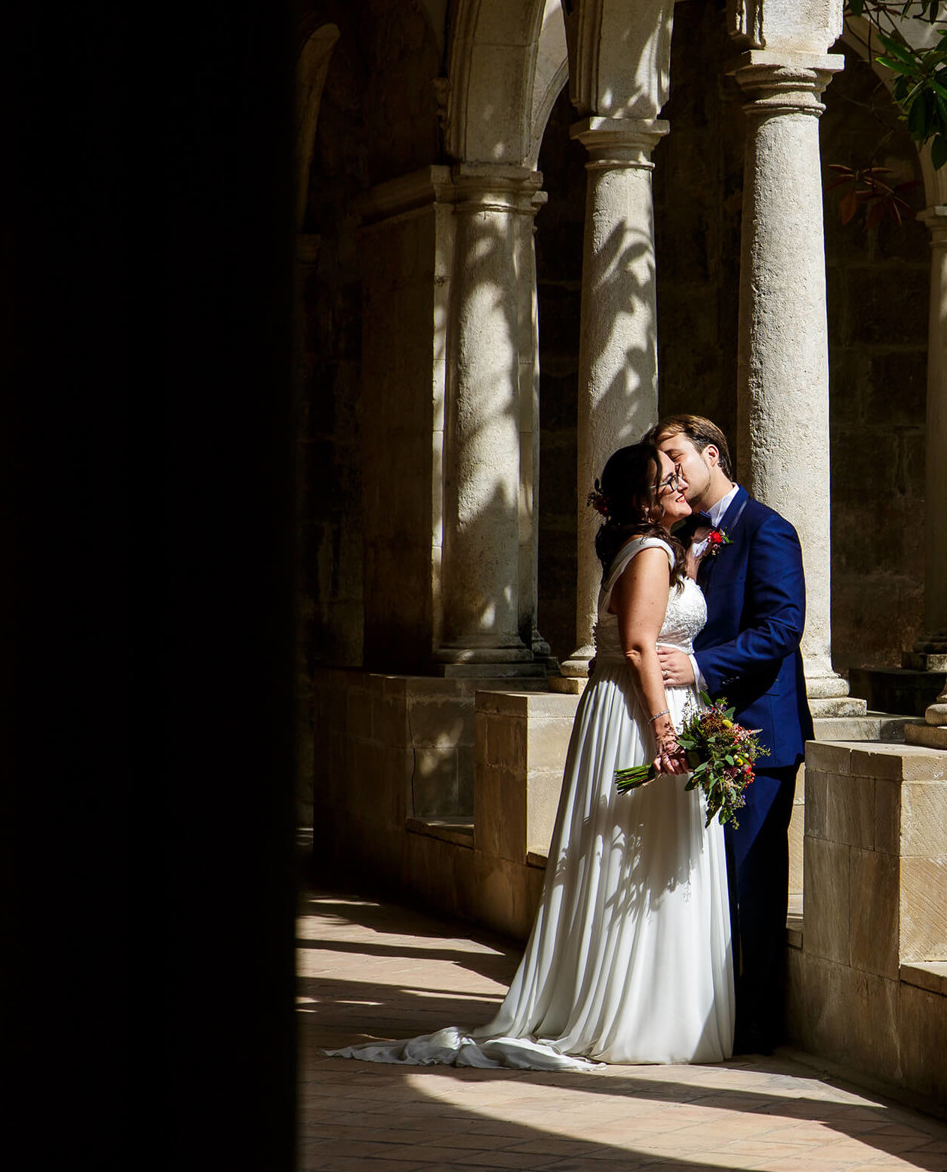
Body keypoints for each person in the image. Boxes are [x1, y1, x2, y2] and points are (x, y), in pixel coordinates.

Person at [326, 442, 733, 1069]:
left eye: (678, 471)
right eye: (666, 476)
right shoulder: (649, 552)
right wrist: (667, 736)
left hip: (638, 708)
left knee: (649, 856)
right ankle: (637, 1016)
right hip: (638, 716)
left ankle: (651, 1006)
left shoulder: (658, 550)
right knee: (641, 855)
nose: (681, 479)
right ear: (639, 498)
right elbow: (638, 647)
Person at [652, 413, 814, 1055]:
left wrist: (697, 667)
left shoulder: (767, 529)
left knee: (751, 887)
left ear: (711, 455)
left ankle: (757, 1025)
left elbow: (783, 627)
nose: (668, 473)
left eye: (676, 459)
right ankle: (709, 1012)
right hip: (702, 733)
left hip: (759, 733)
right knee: (704, 885)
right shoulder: (688, 534)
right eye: (660, 464)